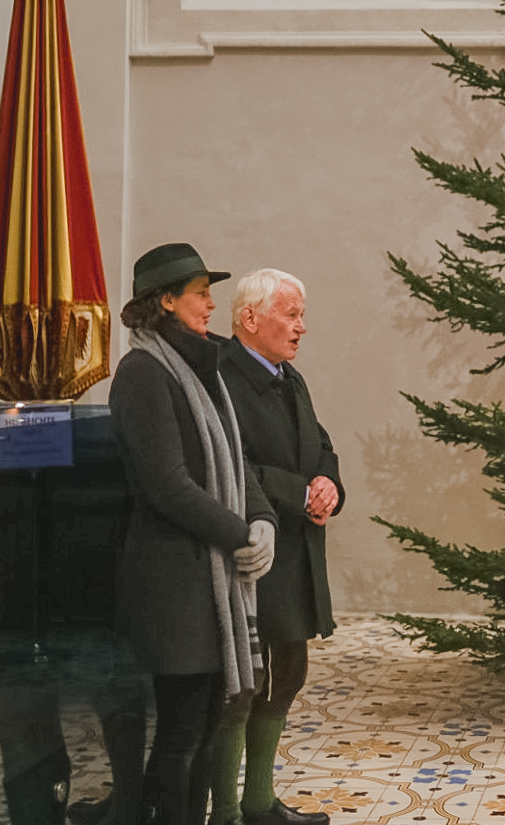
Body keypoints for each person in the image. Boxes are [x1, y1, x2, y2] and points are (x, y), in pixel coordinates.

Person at [108, 244, 277, 825]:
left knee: (208, 727)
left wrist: (263, 521)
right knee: (181, 736)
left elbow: (237, 459)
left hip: (210, 583)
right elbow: (166, 485)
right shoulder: (142, 373)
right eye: (200, 292)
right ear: (165, 301)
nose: (211, 303)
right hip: (173, 584)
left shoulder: (205, 369)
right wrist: (238, 535)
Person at [210, 270, 343, 825]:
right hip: (253, 557)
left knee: (286, 675)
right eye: (291, 315)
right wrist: (297, 491)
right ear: (250, 319)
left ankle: (260, 803)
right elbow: (228, 465)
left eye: (301, 314)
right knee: (240, 690)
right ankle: (223, 810)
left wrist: (329, 485)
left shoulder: (290, 379)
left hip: (298, 554)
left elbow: (321, 445)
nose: (301, 327)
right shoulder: (223, 380)